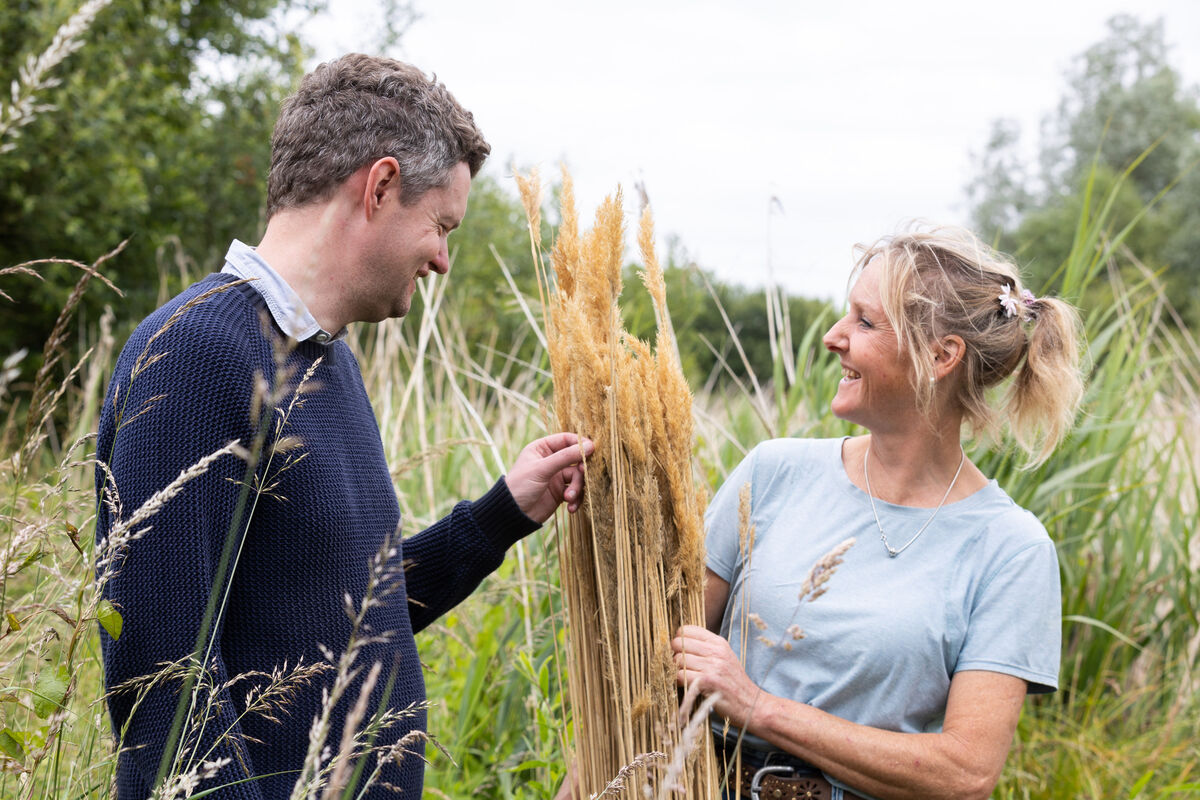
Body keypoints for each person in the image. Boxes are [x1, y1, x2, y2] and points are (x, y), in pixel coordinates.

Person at [94, 54, 592, 800]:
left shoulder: (329, 362)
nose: (443, 260)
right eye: (441, 226)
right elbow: (160, 677)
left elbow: (348, 616)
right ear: (380, 186)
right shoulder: (196, 354)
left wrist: (501, 514)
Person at [672, 225, 1084, 800]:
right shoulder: (772, 473)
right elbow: (657, 660)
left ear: (941, 356)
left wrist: (759, 708)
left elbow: (965, 774)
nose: (833, 337)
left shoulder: (1011, 548)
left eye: (865, 322)